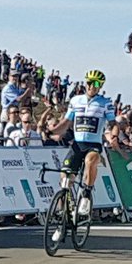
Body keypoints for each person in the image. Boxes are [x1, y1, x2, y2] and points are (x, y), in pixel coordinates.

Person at [48, 69, 115, 217]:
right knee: (65, 177)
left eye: (96, 83)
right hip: (77, 145)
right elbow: (66, 122)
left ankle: (86, 194)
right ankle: (64, 212)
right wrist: (52, 131)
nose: (92, 86)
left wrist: (114, 135)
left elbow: (112, 123)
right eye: (89, 82)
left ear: (101, 86)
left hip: (93, 145)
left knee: (90, 161)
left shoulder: (105, 103)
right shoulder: (75, 100)